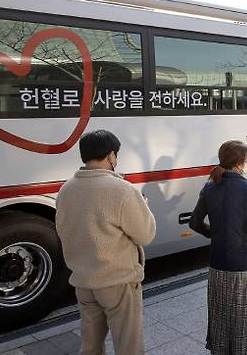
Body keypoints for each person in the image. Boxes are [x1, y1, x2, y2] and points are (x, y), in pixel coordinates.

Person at [56, 130, 156, 355]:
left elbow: (63, 229)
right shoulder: (122, 190)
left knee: (90, 346)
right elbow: (146, 234)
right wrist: (143, 207)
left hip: (84, 282)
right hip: (117, 281)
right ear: (111, 156)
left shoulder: (67, 189)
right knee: (128, 346)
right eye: (116, 155)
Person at [189, 140, 247, 354]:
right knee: (244, 315)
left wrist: (216, 235)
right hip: (246, 263)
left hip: (218, 263)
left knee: (219, 314)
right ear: (240, 164)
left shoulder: (209, 187)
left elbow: (195, 223)